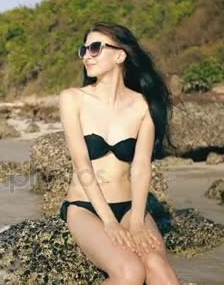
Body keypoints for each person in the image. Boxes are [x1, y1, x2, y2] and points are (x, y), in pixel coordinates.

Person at [58, 22, 180, 284]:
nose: (86, 56)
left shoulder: (141, 105)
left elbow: (141, 167)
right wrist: (110, 223)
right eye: (84, 49)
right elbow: (82, 165)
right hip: (85, 208)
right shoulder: (73, 99)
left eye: (95, 48)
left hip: (129, 206)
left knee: (159, 267)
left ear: (120, 55)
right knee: (130, 273)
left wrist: (136, 220)